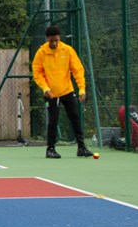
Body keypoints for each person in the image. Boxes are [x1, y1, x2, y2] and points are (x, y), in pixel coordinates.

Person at [32, 25, 93, 158]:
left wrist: (82, 88)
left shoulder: (67, 50)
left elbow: (78, 70)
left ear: (59, 39)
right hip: (51, 93)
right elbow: (37, 73)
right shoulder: (41, 53)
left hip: (67, 90)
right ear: (47, 39)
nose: (54, 43)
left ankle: (81, 147)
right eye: (51, 40)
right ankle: (50, 149)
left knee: (75, 118)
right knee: (53, 121)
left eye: (56, 40)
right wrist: (45, 88)